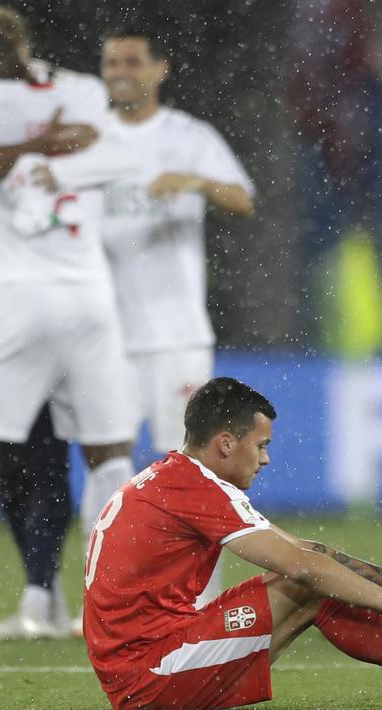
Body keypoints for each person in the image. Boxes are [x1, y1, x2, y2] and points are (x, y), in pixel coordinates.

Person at [84, 377, 382, 710]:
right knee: (306, 586)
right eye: (260, 445)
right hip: (151, 678)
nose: (266, 459)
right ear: (225, 443)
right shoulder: (194, 488)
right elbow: (305, 568)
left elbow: (304, 550)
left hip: (152, 661)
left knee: (310, 581)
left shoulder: (178, 478)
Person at [0, 24, 141, 642]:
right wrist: (59, 146)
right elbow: (118, 154)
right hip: (90, 299)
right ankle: (109, 603)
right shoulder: (83, 101)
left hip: (19, 298)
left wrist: (23, 148)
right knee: (109, 452)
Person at [97, 26, 255, 608]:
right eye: (111, 61)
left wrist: (193, 180)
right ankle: (113, 593)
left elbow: (242, 198)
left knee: (191, 472)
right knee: (107, 462)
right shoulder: (88, 138)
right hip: (104, 333)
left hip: (174, 332)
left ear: (159, 69)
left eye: (132, 61)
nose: (120, 71)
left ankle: (199, 600)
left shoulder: (189, 136)